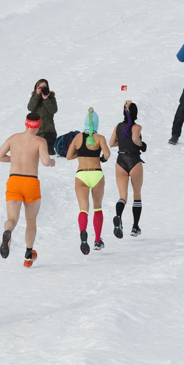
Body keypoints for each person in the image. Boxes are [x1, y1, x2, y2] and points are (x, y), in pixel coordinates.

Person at [0, 113, 56, 267]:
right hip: (31, 182)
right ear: (38, 125)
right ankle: (28, 254)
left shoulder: (13, 138)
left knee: (12, 218)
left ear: (26, 123)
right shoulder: (40, 141)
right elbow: (45, 161)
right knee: (31, 220)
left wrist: (15, 158)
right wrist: (52, 162)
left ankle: (8, 232)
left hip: (14, 180)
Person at [66, 108, 112, 254]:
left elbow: (68, 156)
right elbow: (107, 154)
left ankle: (83, 235)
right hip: (96, 174)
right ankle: (97, 240)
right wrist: (101, 159)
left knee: (83, 209)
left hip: (81, 175)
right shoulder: (100, 138)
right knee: (97, 207)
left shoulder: (77, 137)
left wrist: (80, 155)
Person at [108, 100, 146, 238]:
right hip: (134, 161)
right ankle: (135, 227)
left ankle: (118, 217)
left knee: (122, 196)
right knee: (137, 195)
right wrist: (142, 145)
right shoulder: (136, 127)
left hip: (120, 162)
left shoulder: (118, 126)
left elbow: (111, 143)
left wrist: (123, 142)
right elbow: (136, 139)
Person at [26, 79, 58, 150]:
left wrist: (46, 99)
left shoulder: (51, 98)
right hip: (36, 131)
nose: (43, 89)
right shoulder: (34, 97)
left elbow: (53, 110)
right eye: (40, 87)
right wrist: (37, 96)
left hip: (49, 131)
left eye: (44, 87)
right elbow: (30, 108)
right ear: (36, 88)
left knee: (49, 151)